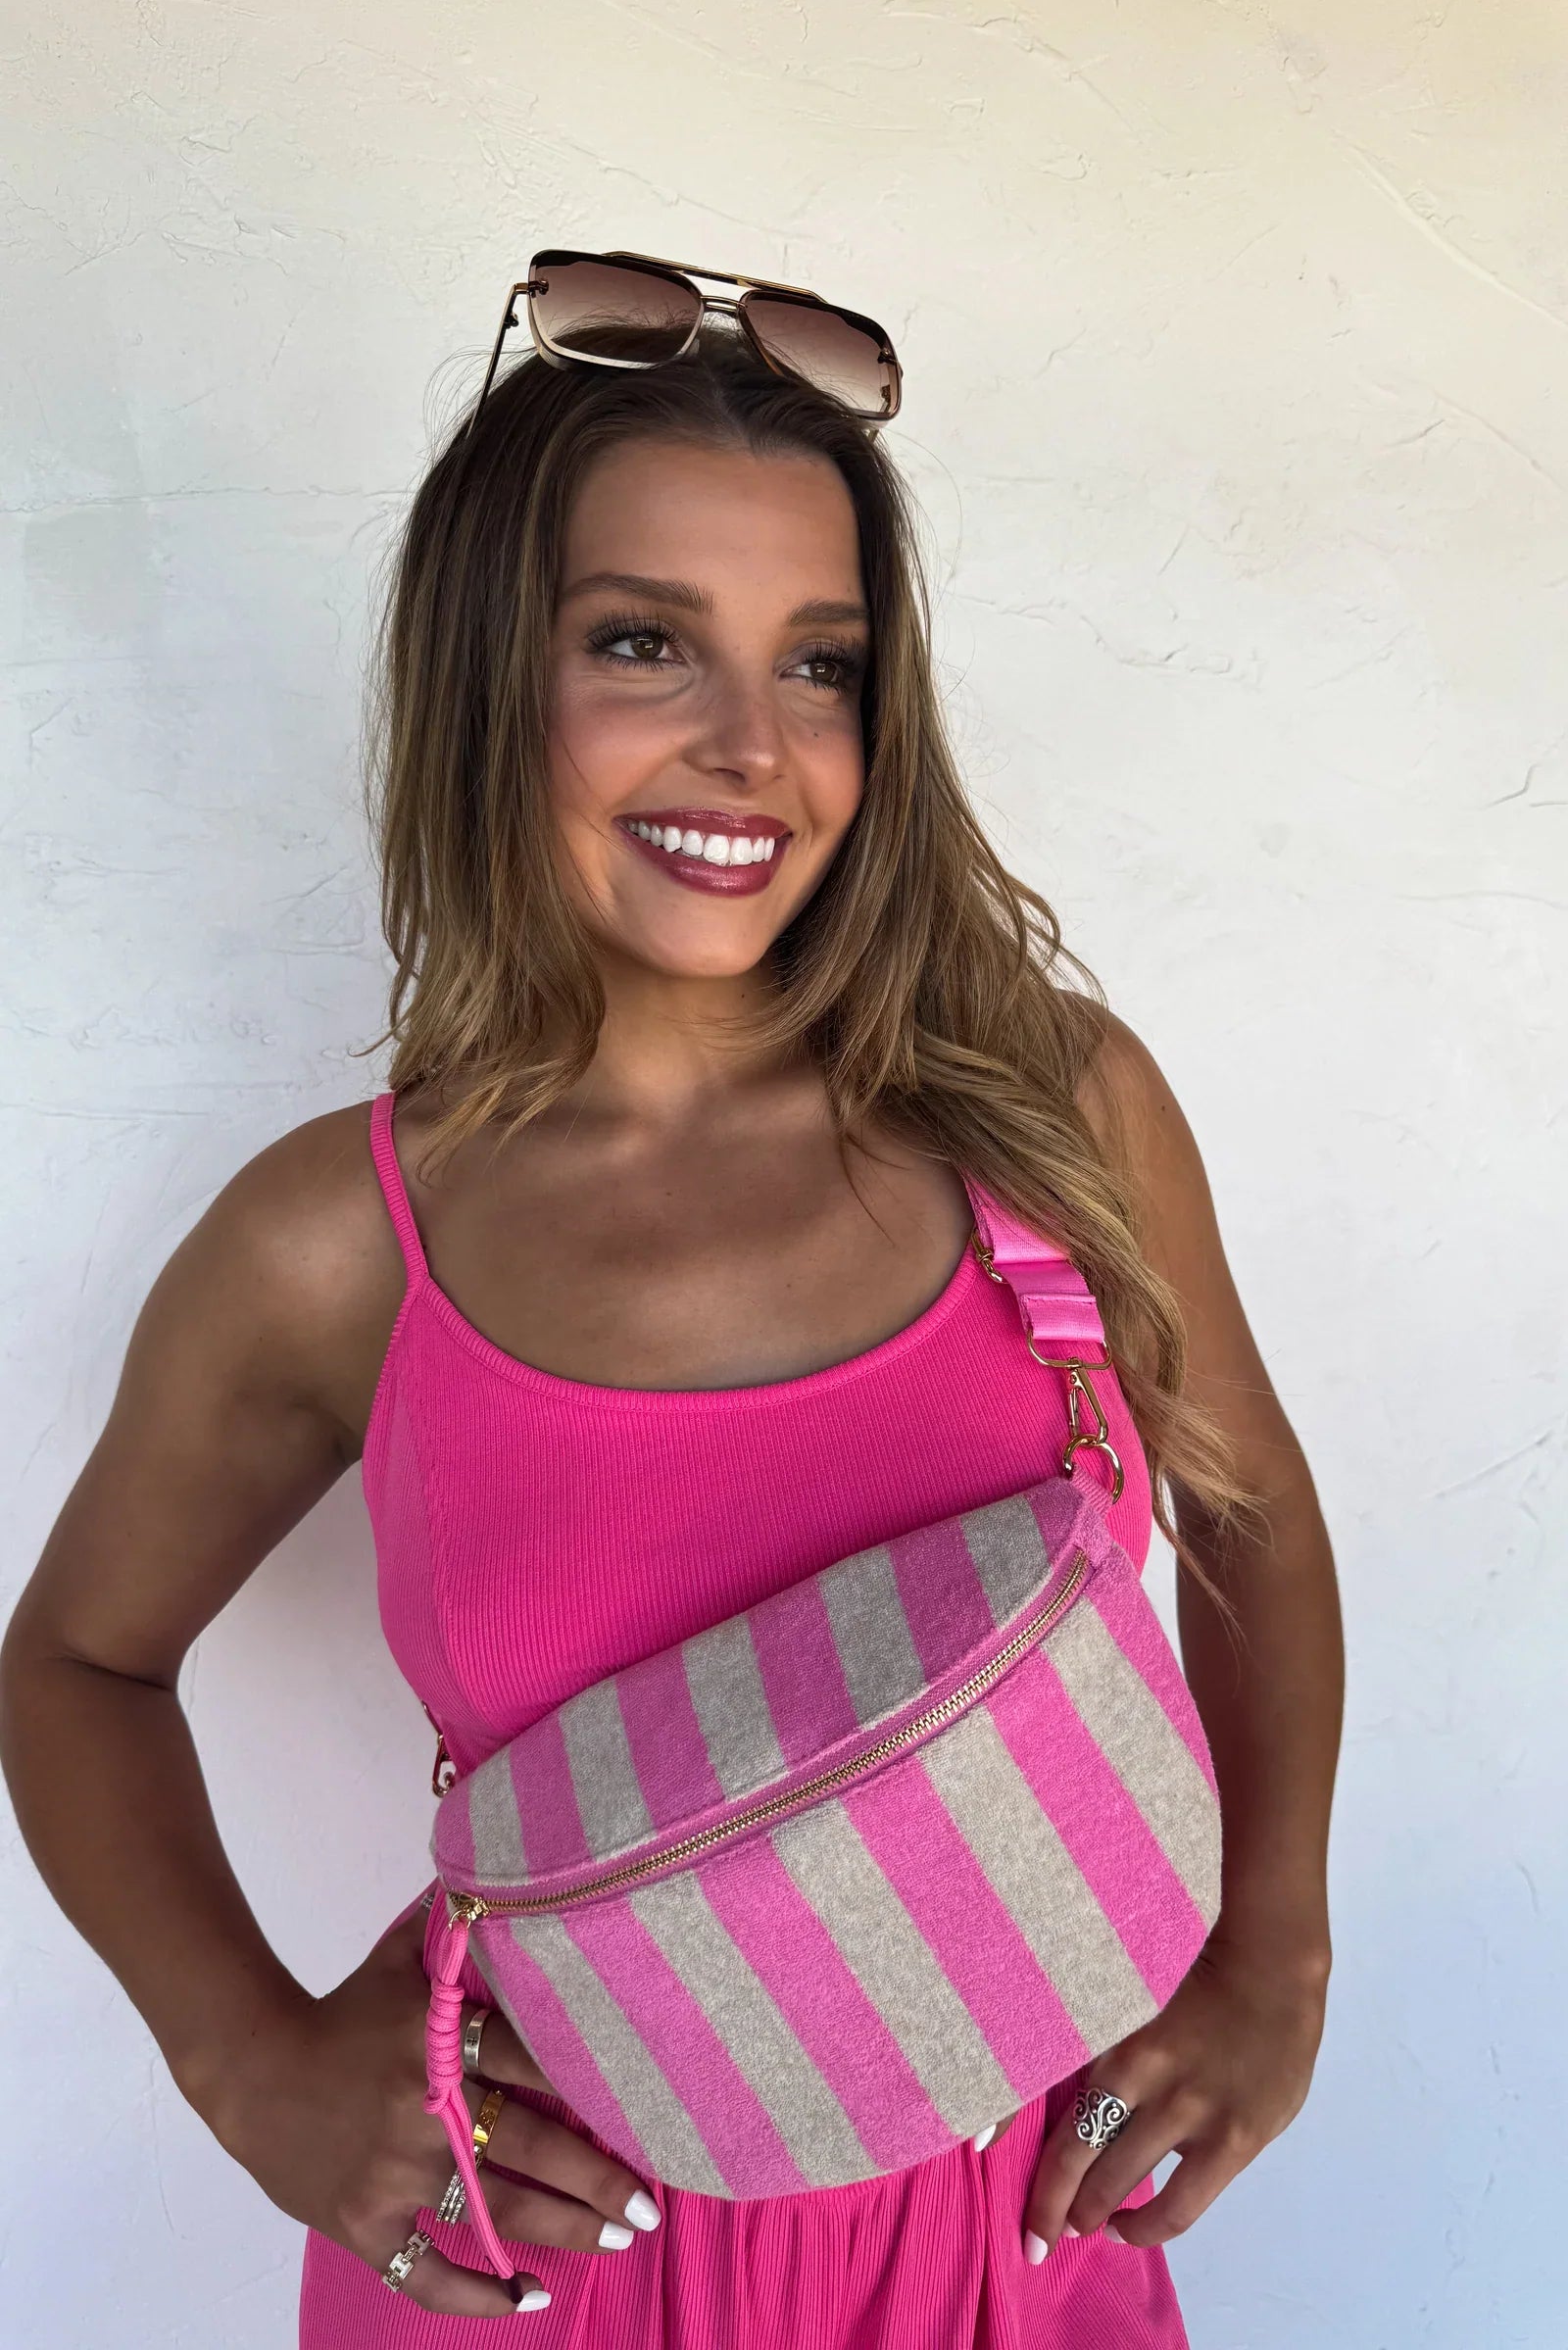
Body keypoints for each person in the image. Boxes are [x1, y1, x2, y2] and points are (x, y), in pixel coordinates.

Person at [0, 265, 1344, 2346]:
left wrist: (1275, 1951)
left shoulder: (1042, 1113)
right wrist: (246, 2063)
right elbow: (75, 1665)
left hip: (1013, 2235)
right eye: (640, 641)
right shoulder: (340, 1245)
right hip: (550, 2258)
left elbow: (1241, 1508)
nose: (750, 747)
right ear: (488, 678)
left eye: (821, 664)